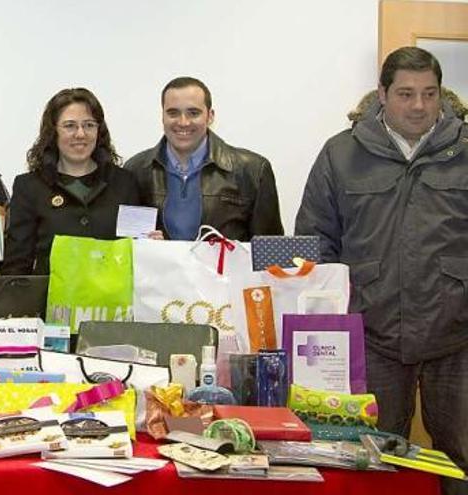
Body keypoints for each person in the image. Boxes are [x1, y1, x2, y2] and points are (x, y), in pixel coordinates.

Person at [296, 46, 468, 495]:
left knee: (462, 458)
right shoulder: (341, 154)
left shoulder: (465, 149)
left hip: (457, 335)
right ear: (382, 94)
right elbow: (316, 242)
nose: (418, 106)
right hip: (372, 335)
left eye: (429, 94)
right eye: (406, 94)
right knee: (370, 459)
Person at [1, 87, 140, 275]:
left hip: (112, 301)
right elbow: (16, 264)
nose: (81, 134)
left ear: (99, 131)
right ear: (53, 132)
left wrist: (151, 244)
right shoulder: (29, 187)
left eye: (89, 125)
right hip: (48, 302)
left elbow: (137, 253)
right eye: (70, 126)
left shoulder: (125, 183)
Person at [124, 76, 283, 241]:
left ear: (210, 116)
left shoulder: (253, 171)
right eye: (173, 113)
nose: (183, 122)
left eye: (193, 113)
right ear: (162, 116)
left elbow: (270, 252)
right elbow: (126, 243)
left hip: (226, 268)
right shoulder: (135, 170)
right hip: (156, 268)